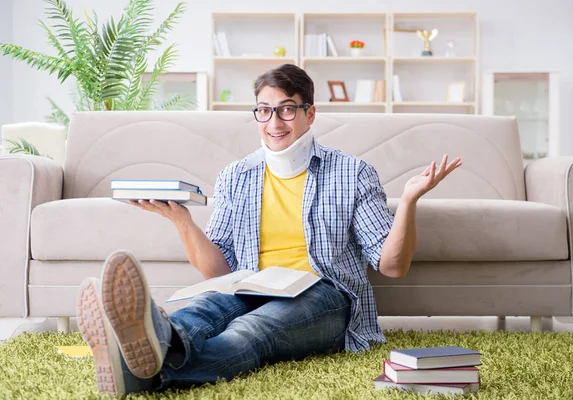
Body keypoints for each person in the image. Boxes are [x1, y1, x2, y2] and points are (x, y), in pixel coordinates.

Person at [76, 64, 462, 396]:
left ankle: (134, 367)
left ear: (310, 114)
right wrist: (182, 221)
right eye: (264, 110)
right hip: (253, 284)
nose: (274, 123)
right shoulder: (237, 176)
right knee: (203, 310)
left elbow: (392, 266)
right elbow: (219, 272)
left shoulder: (353, 173)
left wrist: (409, 201)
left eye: (287, 110)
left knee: (250, 331)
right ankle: (147, 346)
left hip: (325, 296)